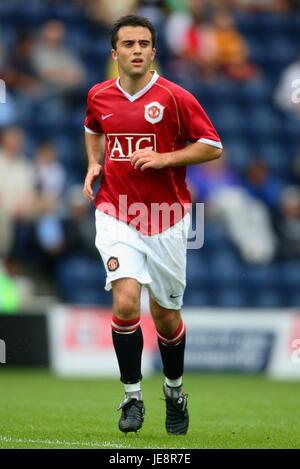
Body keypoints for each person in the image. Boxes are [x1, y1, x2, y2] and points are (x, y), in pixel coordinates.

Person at [83, 14, 222, 435]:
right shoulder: (99, 95)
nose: (137, 50)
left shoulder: (176, 97)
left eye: (144, 43)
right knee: (125, 303)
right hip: (116, 212)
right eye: (128, 44)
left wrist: (166, 158)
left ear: (154, 50)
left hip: (165, 219)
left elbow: (212, 146)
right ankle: (131, 398)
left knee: (166, 317)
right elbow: (92, 127)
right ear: (115, 53)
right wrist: (94, 162)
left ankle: (175, 392)